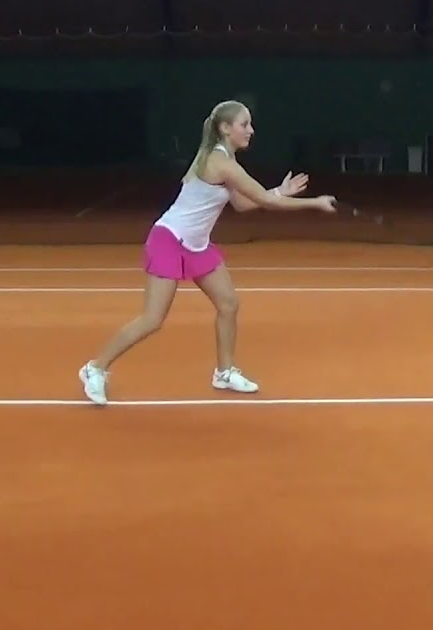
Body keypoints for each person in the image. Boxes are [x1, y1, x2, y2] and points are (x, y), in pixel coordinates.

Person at [78, 100, 337, 406]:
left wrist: (280, 191)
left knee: (228, 304)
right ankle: (95, 368)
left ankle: (224, 373)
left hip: (197, 244)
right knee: (152, 319)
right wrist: (315, 202)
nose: (251, 131)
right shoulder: (221, 162)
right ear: (226, 128)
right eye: (244, 124)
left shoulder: (223, 159)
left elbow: (242, 204)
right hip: (169, 240)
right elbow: (266, 202)